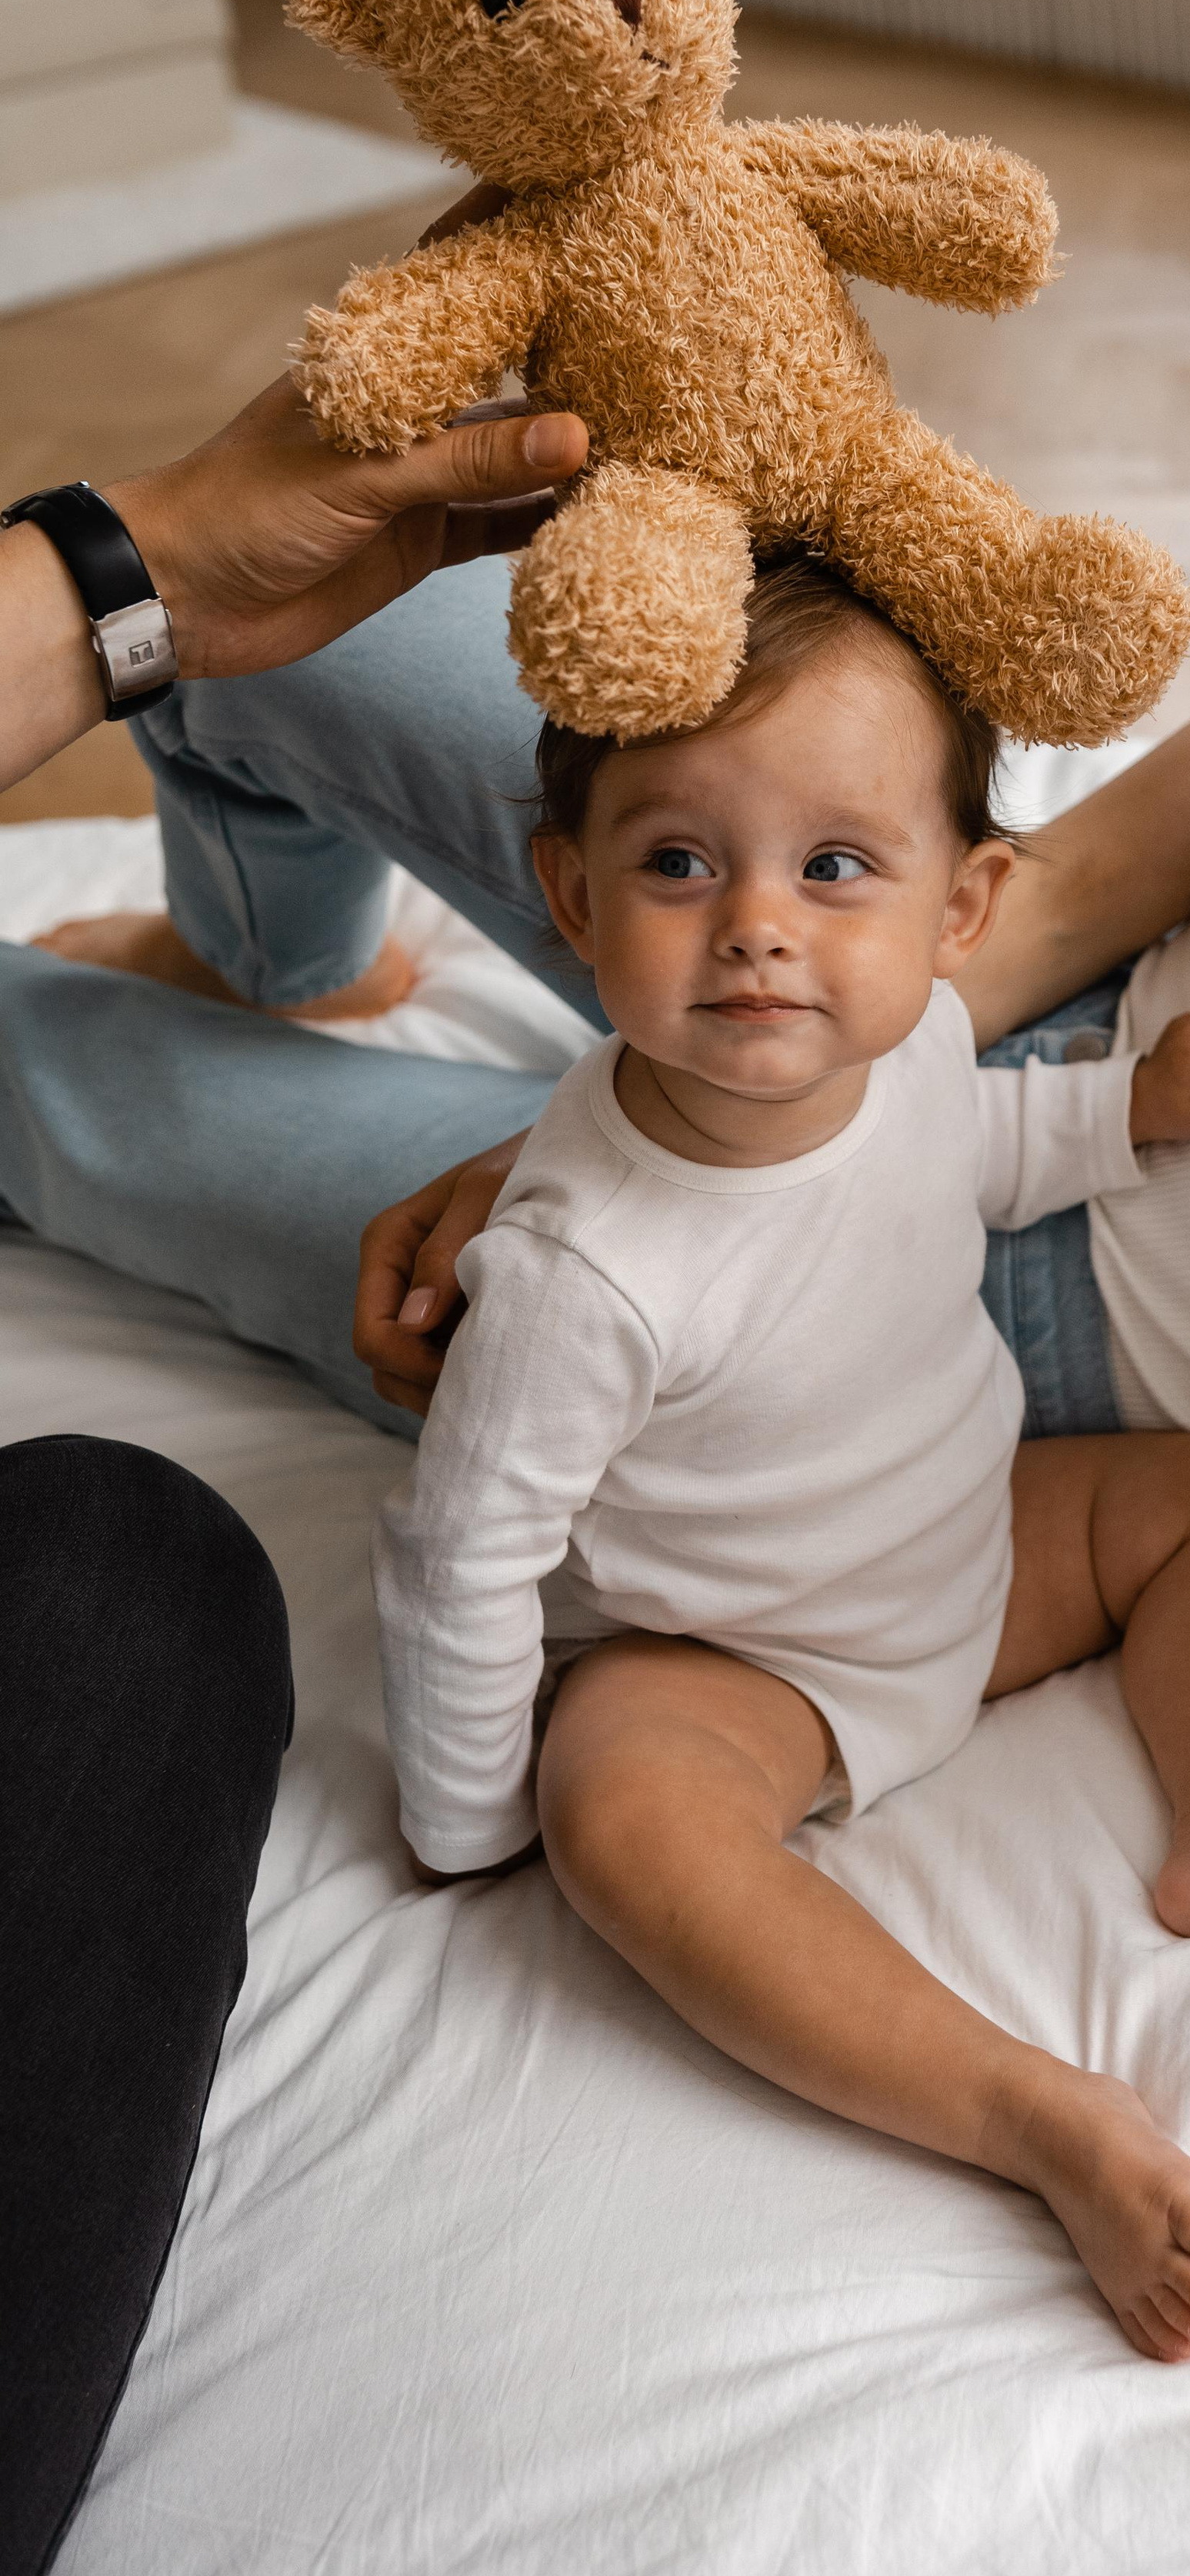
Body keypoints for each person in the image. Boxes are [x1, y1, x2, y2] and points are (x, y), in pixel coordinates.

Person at [8, 302, 1190, 2091]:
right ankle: (286, 959)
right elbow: (1106, 860)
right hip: (967, 1015)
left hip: (917, 1392)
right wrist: (672, 1135)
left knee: (57, 1097)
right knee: (246, 626)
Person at [375, 555, 1190, 2366]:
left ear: (961, 907)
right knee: (620, 1810)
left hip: (970, 1560)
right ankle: (1032, 2115)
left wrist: (1112, 1115)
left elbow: (962, 1147)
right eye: (676, 864)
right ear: (569, 897)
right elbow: (462, 1560)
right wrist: (457, 1823)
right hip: (740, 1664)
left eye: (832, 867)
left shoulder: (907, 1051)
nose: (755, 926)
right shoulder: (583, 1268)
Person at [0, 334, 593, 2574]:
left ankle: (251, 972)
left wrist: (121, 570)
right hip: (986, 1007)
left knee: (124, 1558)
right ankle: (271, 970)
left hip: (929, 1085)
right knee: (132, 1569)